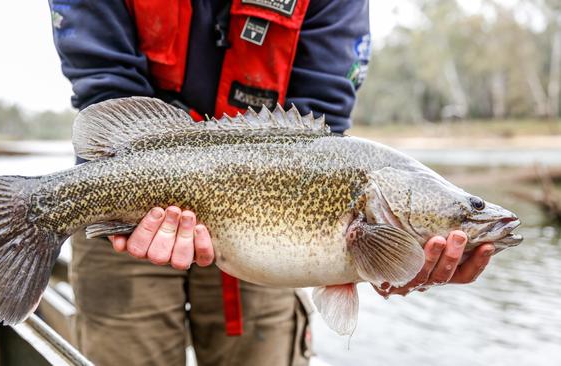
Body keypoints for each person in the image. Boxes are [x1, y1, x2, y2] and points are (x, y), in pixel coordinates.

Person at [49, 1, 496, 365]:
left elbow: (322, 124)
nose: (481, 214)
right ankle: (39, 213)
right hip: (129, 210)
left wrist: (390, 261)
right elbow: (106, 93)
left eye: (473, 207)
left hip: (267, 249)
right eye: (473, 207)